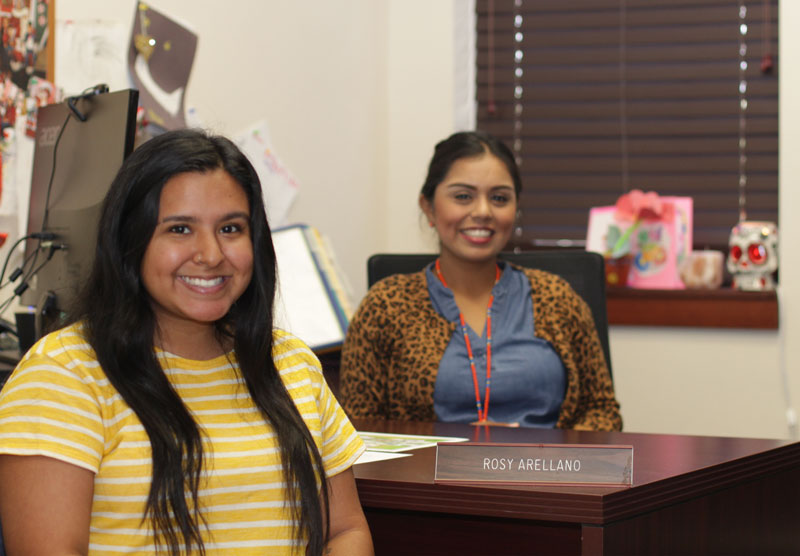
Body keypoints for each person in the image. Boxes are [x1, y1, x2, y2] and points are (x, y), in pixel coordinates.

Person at [0, 129, 373, 555]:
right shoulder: (63, 374)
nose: (211, 254)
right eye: (180, 229)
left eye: (231, 228)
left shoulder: (292, 364)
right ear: (130, 242)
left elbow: (344, 530)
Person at [340, 131, 621, 431]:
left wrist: (547, 452)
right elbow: (357, 429)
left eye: (499, 198)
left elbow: (603, 412)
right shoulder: (385, 307)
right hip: (427, 475)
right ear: (428, 207)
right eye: (463, 196)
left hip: (545, 473)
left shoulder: (556, 297)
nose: (483, 212)